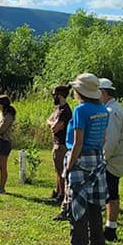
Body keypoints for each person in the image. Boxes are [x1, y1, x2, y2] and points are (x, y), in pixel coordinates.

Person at [53, 73, 111, 245]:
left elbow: (77, 142)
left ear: (80, 91)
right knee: (94, 207)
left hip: (80, 159)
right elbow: (103, 138)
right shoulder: (103, 109)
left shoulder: (81, 110)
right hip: (97, 157)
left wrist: (69, 168)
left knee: (77, 210)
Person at [99, 78, 123, 242]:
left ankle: (110, 229)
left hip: (111, 162)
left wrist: (102, 159)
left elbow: (111, 141)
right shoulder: (116, 108)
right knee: (112, 194)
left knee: (109, 195)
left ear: (103, 92)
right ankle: (111, 227)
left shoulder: (110, 112)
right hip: (117, 160)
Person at [46, 84, 73, 214]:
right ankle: (58, 193)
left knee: (61, 172)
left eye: (54, 95)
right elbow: (49, 121)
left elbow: (55, 127)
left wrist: (52, 124)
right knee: (57, 171)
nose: (53, 98)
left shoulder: (65, 111)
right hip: (56, 144)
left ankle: (62, 195)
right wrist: (52, 123)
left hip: (62, 145)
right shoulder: (58, 109)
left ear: (60, 96)